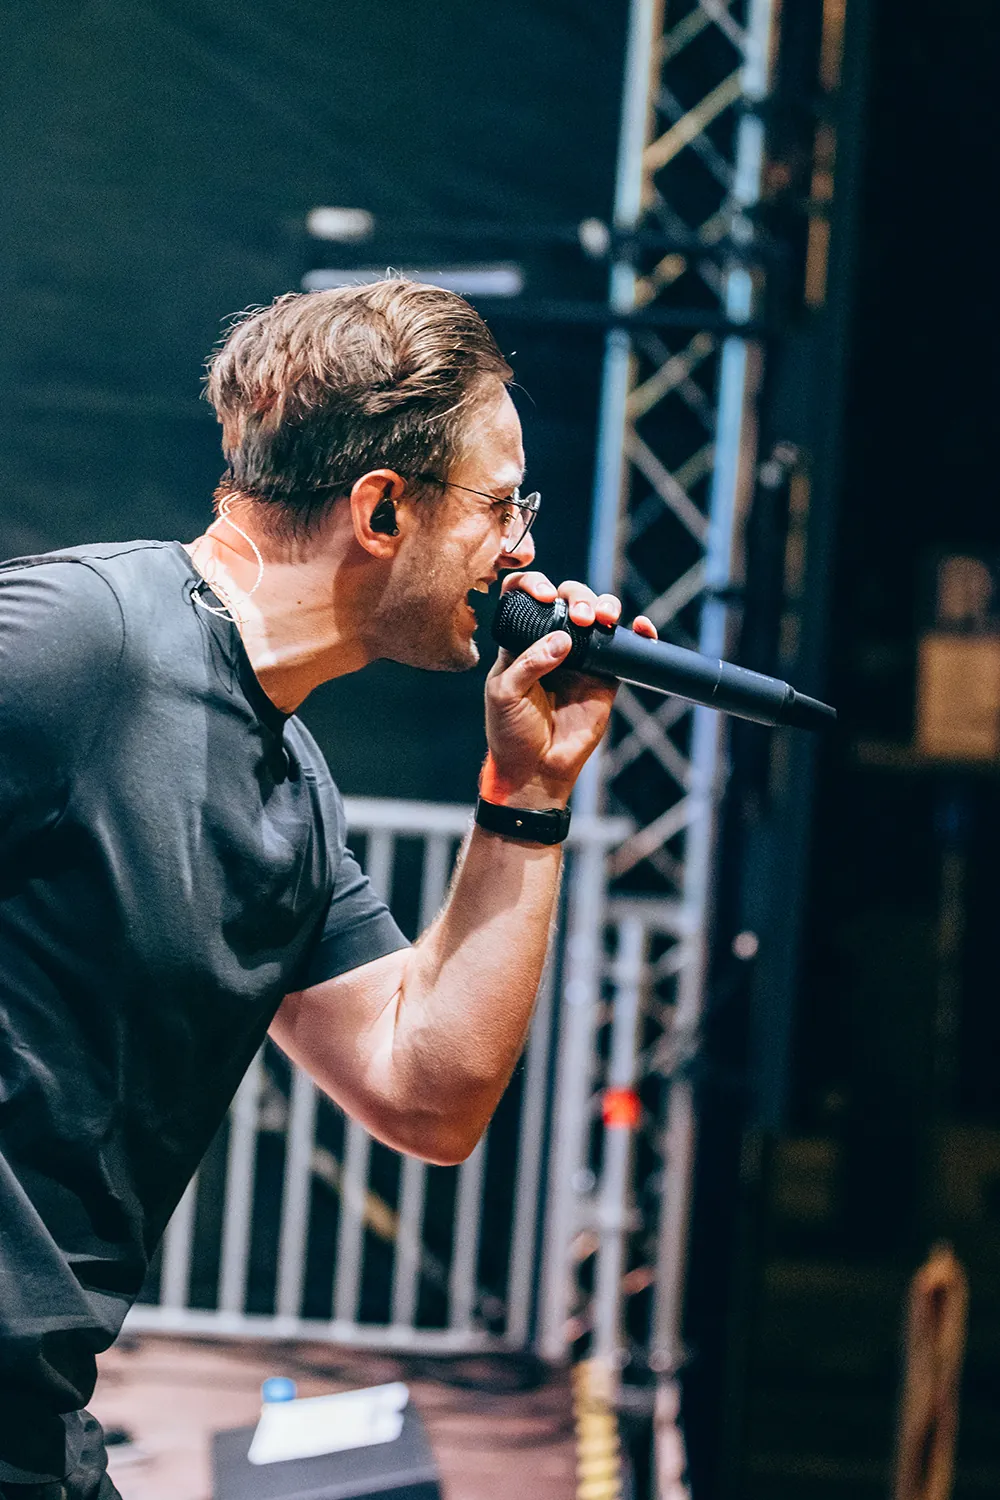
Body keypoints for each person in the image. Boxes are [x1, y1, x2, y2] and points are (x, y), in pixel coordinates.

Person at [0, 278, 655, 1497]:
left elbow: (428, 1093)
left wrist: (529, 793)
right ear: (382, 509)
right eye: (502, 504)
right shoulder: (79, 642)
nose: (523, 548)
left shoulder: (289, 787)